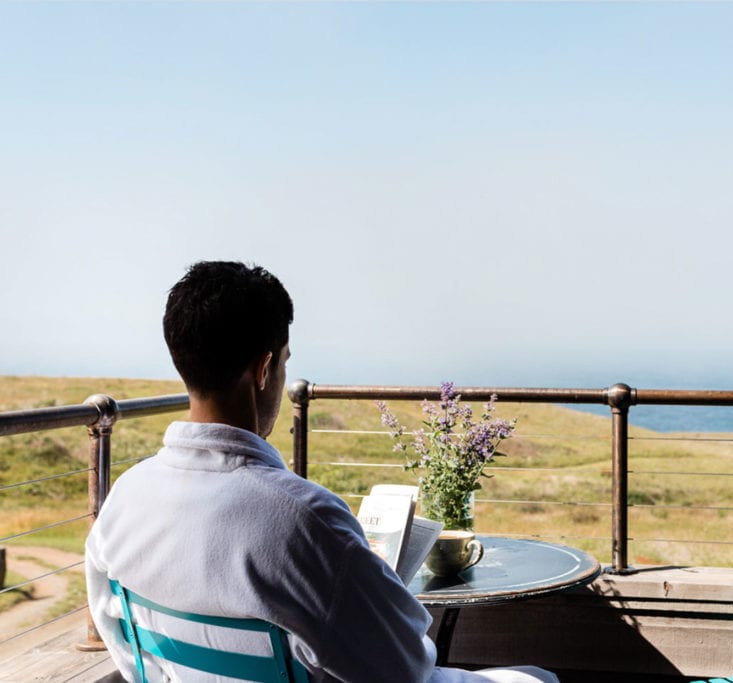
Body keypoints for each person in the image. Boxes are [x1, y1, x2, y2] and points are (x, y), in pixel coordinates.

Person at [85, 261, 557, 683]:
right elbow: (407, 667)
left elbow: (121, 643)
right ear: (265, 368)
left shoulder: (125, 500)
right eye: (285, 362)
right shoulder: (303, 520)